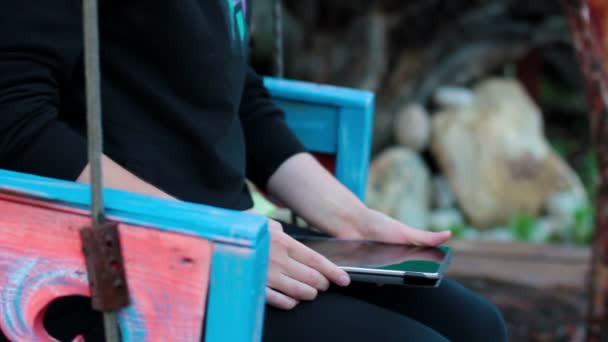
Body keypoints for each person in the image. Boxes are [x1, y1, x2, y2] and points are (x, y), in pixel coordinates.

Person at [0, 1, 507, 341]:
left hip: (230, 235)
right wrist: (209, 238)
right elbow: (15, 121)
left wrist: (353, 220)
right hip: (105, 258)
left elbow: (240, 92)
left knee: (477, 326)